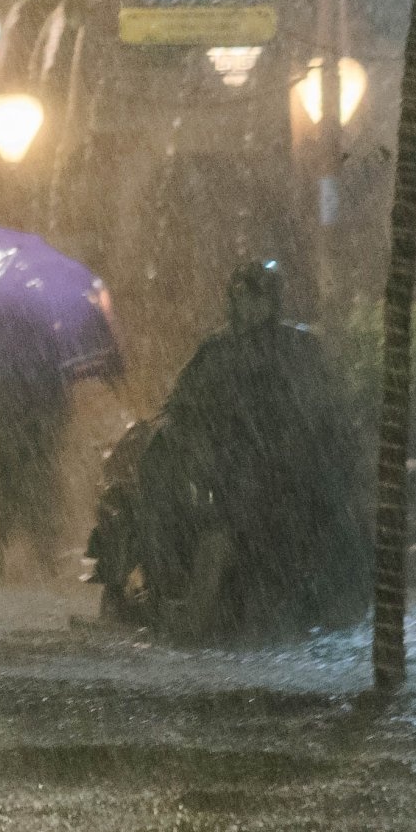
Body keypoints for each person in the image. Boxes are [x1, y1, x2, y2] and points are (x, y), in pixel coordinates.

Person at [102, 259, 368, 641]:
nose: (247, 305)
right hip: (239, 473)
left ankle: (208, 613)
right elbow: (181, 410)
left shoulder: (297, 346)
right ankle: (195, 612)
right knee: (219, 533)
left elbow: (330, 411)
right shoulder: (221, 350)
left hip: (288, 475)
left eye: (255, 296)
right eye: (241, 296)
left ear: (271, 300)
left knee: (241, 531)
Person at [0, 342, 73, 579]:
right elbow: (58, 390)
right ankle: (42, 556)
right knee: (28, 495)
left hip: (12, 433)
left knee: (5, 496)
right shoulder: (36, 348)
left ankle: (4, 556)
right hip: (25, 434)